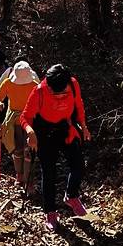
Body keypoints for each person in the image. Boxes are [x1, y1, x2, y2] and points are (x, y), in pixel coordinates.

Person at [20, 63, 91, 232]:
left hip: (66, 129)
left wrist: (84, 126)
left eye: (63, 92)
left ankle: (71, 196)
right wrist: (30, 132)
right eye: (55, 92)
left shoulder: (73, 84)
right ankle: (50, 211)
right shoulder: (39, 91)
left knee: (78, 165)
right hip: (44, 133)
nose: (59, 95)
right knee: (49, 172)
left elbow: (79, 105)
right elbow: (25, 117)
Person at [0, 60, 40, 191]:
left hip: (30, 121)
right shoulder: (8, 83)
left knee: (29, 150)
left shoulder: (35, 85)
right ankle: (19, 175)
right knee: (17, 149)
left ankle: (28, 180)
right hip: (13, 121)